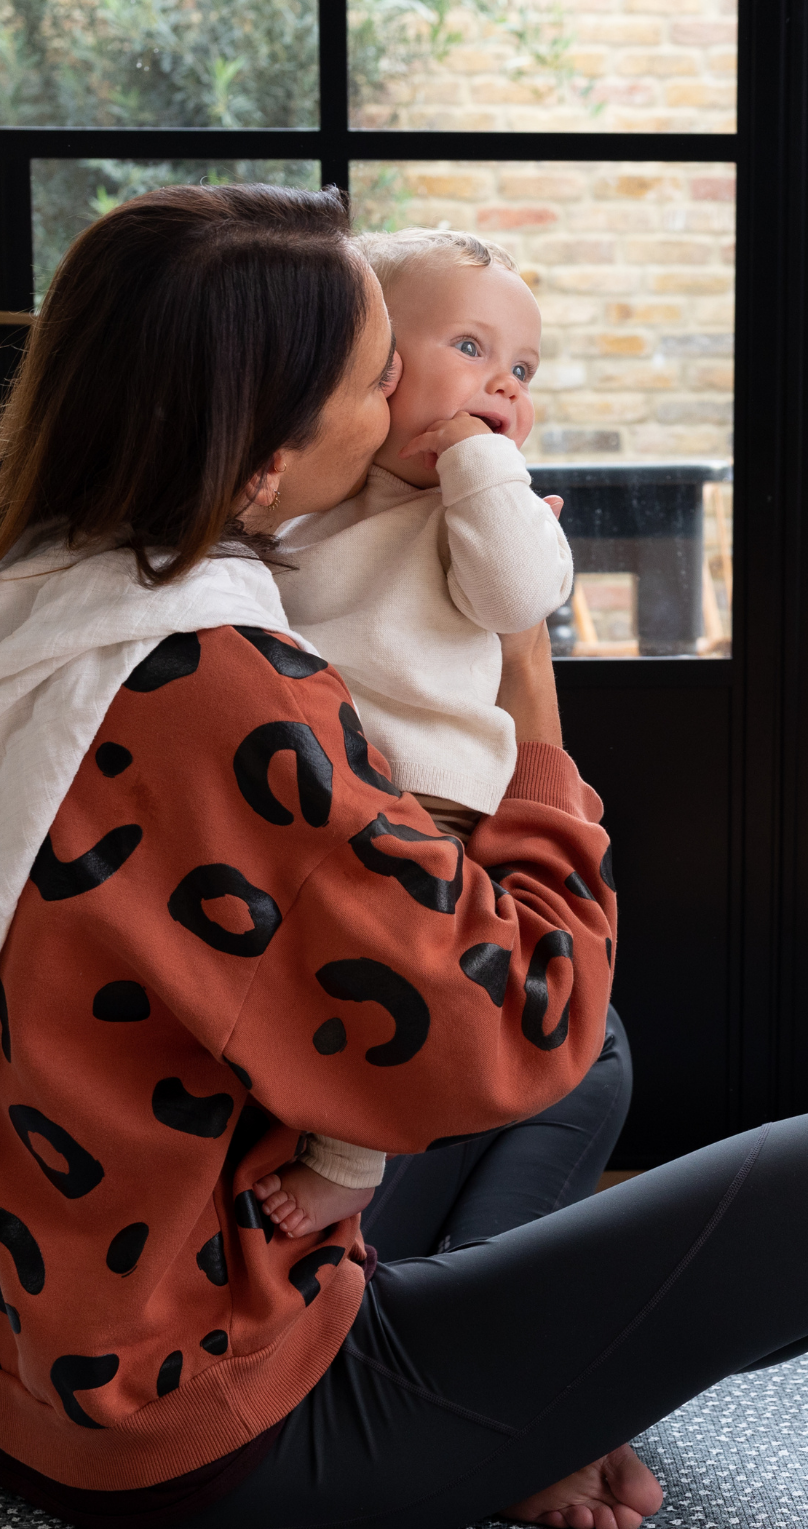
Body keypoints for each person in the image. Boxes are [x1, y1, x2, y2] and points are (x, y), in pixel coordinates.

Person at [0, 182, 808, 1529]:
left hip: (37, 1372)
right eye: (375, 376)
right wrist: (523, 661)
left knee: (600, 1061)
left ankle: (497, 1385)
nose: (408, 402)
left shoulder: (29, 605)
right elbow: (527, 1003)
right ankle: (507, 1418)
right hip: (209, 1421)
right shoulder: (221, 688)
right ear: (264, 455)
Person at [255, 227, 575, 1243]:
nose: (504, 385)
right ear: (376, 365)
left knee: (387, 974)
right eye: (471, 350)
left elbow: (524, 598)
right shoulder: (322, 493)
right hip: (309, 778)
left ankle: (354, 1157)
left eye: (522, 369)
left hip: (428, 795)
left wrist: (486, 469)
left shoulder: (475, 505)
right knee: (303, 965)